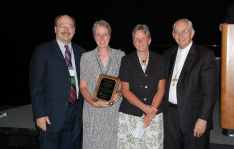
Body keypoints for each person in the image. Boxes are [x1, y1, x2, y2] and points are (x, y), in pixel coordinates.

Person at [29, 14, 85, 149]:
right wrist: (39, 114)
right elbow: (36, 85)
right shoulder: (43, 51)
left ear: (74, 30)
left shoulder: (81, 53)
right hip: (51, 116)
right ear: (55, 29)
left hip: (75, 116)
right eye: (62, 26)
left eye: (70, 26)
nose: (66, 29)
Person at [163, 19, 218, 149]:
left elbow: (210, 93)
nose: (180, 35)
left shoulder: (205, 55)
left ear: (192, 33)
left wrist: (203, 118)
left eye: (184, 31)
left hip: (194, 117)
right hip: (170, 115)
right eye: (177, 32)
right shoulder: (167, 54)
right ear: (173, 35)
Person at [117, 24, 166, 149]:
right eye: (136, 38)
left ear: (149, 40)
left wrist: (150, 114)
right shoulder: (126, 61)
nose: (140, 41)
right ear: (133, 42)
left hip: (154, 114)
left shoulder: (160, 60)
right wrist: (145, 109)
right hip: (130, 115)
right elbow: (125, 90)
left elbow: (161, 89)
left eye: (143, 38)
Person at [79, 20, 125, 149]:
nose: (102, 38)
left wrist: (120, 93)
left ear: (110, 35)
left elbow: (124, 84)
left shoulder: (120, 56)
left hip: (113, 111)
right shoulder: (86, 57)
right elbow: (83, 87)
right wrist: (94, 102)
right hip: (93, 111)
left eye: (105, 34)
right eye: (98, 34)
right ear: (94, 36)